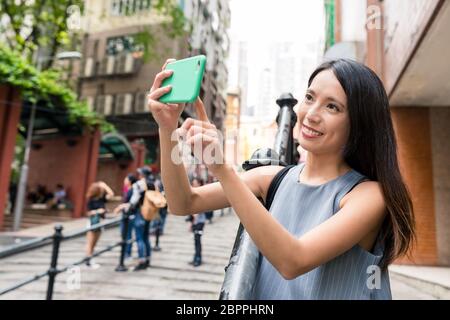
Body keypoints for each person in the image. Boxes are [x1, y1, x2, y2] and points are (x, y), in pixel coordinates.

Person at [148, 58, 416, 299]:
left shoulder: (368, 195)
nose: (311, 114)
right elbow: (182, 202)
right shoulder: (272, 178)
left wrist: (222, 168)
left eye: (332, 107)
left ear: (359, 123)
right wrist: (168, 128)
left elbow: (293, 261)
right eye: (310, 97)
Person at [122, 166, 155, 271]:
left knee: (139, 238)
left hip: (139, 213)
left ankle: (141, 261)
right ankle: (147, 259)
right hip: (149, 213)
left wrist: (127, 208)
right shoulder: (152, 184)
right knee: (146, 237)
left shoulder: (139, 184)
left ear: (142, 174)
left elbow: (134, 200)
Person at [85, 181, 114, 269]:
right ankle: (88, 260)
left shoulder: (101, 198)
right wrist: (98, 211)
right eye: (101, 189)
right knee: (90, 242)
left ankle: (90, 258)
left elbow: (111, 194)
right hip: (93, 222)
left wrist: (105, 185)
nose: (102, 190)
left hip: (100, 222)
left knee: (95, 242)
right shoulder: (91, 200)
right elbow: (89, 213)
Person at [114, 174, 138, 261]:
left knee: (127, 235)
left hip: (129, 216)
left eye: (126, 179)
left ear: (130, 181)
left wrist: (120, 207)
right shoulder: (128, 189)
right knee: (125, 234)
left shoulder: (132, 190)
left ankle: (127, 253)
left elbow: (131, 203)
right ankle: (126, 253)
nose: (124, 181)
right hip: (126, 215)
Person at [186, 177, 206, 267]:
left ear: (199, 183)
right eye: (193, 183)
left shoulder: (201, 193)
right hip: (196, 221)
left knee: (197, 240)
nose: (193, 185)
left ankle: (198, 259)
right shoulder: (194, 192)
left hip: (199, 221)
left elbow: (197, 210)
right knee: (196, 240)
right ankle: (196, 257)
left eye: (194, 183)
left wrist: (192, 221)